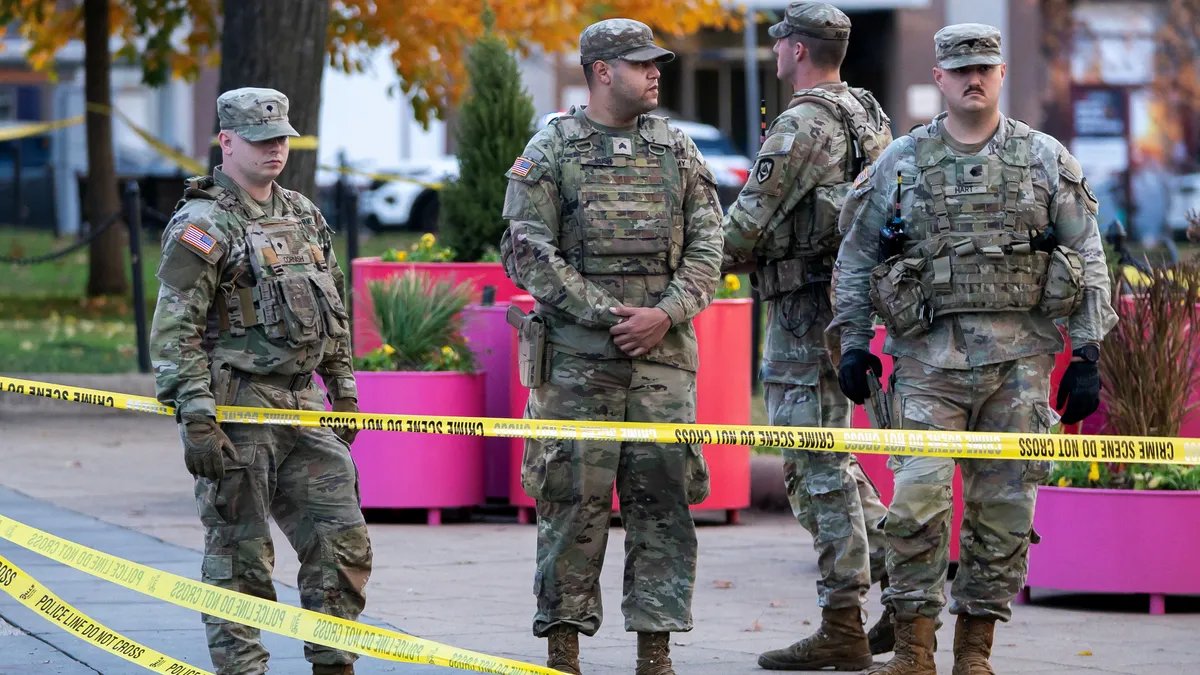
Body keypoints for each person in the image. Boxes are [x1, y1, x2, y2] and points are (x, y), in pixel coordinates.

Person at [829, 25, 1117, 674]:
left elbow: (1087, 254)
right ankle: (913, 650)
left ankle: (975, 653)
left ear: (1001, 72)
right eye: (960, 70)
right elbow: (856, 259)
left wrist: (1089, 352)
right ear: (939, 78)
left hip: (1019, 371)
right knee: (916, 510)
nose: (973, 79)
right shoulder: (901, 162)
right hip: (928, 367)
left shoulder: (1044, 158)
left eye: (983, 67)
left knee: (1004, 517)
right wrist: (852, 343)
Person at [499, 18, 722, 675]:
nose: (656, 72)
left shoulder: (677, 149)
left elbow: (711, 243)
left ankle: (656, 653)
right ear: (601, 71)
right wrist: (604, 314)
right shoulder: (553, 149)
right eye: (640, 64)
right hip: (575, 365)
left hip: (663, 364)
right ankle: (562, 649)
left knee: (664, 506)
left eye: (656, 63)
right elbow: (524, 250)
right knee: (571, 504)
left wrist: (665, 313)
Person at [149, 87, 370, 675]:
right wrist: (196, 416)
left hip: (301, 406)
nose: (275, 149)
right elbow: (175, 331)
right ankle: (244, 669)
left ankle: (334, 663)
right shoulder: (203, 223)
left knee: (341, 542)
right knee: (241, 558)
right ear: (226, 141)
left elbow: (333, 307)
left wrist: (341, 385)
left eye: (281, 139)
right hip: (238, 407)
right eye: (260, 139)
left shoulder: (301, 213)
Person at [720, 2, 896, 670]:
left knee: (812, 464)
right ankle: (904, 583)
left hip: (802, 314)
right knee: (831, 458)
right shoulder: (867, 112)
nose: (773, 53)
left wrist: (687, 260)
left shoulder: (801, 123)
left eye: (778, 44)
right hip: (850, 308)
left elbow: (745, 230)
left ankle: (842, 620)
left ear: (796, 50)